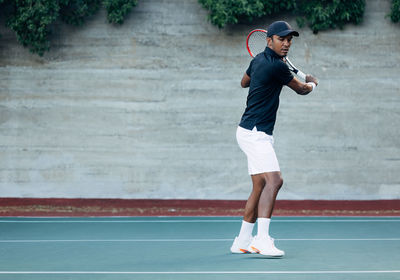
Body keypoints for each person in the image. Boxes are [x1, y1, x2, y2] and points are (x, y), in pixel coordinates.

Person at [230, 21, 318, 257]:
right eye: (282, 39)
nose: (287, 43)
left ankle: (242, 240)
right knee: (275, 181)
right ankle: (261, 240)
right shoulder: (277, 67)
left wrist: (266, 78)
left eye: (290, 39)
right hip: (256, 133)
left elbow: (244, 82)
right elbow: (301, 89)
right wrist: (312, 83)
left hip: (248, 131)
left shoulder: (258, 60)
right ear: (269, 41)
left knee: (260, 184)